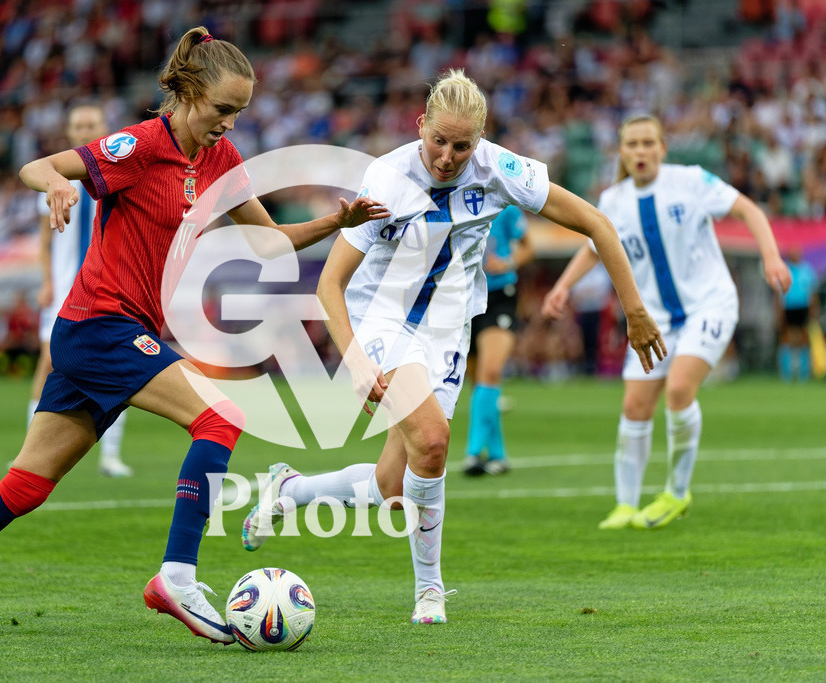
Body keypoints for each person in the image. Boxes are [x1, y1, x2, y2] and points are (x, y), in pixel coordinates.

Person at [0, 26, 388, 645]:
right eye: (222, 110)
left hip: (113, 332)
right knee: (221, 417)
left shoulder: (219, 160)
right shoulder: (137, 147)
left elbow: (268, 239)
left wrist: (336, 220)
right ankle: (176, 577)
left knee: (23, 488)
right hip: (96, 326)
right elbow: (39, 166)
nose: (230, 124)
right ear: (189, 94)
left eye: (239, 113)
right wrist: (57, 183)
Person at [241, 69, 665, 625]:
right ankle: (430, 591)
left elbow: (597, 224)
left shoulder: (499, 170)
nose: (447, 156)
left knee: (393, 489)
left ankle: (290, 489)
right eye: (438, 140)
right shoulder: (387, 178)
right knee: (435, 441)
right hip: (382, 320)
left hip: (446, 332)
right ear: (420, 124)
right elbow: (330, 284)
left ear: (480, 140)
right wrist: (355, 359)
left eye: (462, 145)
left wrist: (634, 310)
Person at [541, 113, 792, 531]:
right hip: (655, 320)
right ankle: (625, 505)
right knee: (634, 406)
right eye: (632, 145)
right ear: (621, 152)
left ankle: (677, 493)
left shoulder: (691, 181)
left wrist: (770, 255)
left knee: (678, 389)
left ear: (663, 148)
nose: (640, 152)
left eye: (648, 144)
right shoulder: (613, 200)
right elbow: (592, 248)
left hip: (709, 305)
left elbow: (748, 209)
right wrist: (562, 286)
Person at [29, 103, 132, 477]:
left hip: (107, 289)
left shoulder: (120, 174)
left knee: (120, 369)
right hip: (64, 289)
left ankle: (111, 456)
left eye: (92, 124)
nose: (86, 130)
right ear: (69, 133)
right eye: (79, 125)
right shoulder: (56, 178)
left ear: (105, 127)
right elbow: (44, 242)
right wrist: (46, 281)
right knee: (48, 362)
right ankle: (32, 453)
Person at [462, 204, 533, 476]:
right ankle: (498, 456)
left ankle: (472, 452)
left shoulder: (506, 207)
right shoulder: (456, 201)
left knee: (490, 372)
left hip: (499, 295)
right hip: (464, 298)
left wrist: (507, 262)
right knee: (478, 382)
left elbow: (528, 246)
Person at [777, 247, 819, 382]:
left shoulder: (807, 270)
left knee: (803, 338)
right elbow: (778, 293)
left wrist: (814, 311)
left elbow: (812, 292)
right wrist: (778, 311)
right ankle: (787, 374)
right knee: (787, 338)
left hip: (803, 307)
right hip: (788, 307)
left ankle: (803, 374)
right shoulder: (784, 269)